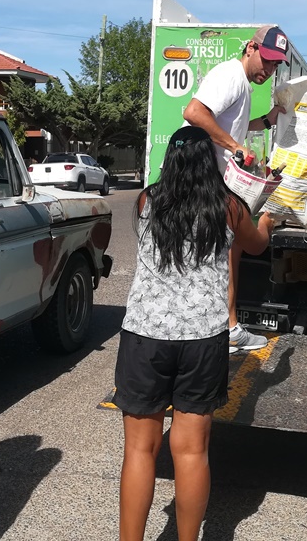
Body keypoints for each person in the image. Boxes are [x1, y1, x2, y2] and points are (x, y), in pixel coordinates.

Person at [114, 125, 274, 541]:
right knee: (191, 451)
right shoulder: (228, 206)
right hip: (202, 338)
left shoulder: (147, 199)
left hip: (145, 334)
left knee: (139, 450)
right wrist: (268, 219)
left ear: (170, 160)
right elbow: (256, 245)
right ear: (211, 163)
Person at [183, 24, 289, 353]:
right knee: (224, 252)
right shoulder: (230, 75)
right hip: (196, 182)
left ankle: (225, 328)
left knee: (228, 253)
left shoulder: (242, 84)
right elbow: (194, 112)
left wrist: (267, 120)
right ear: (250, 48)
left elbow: (232, 126)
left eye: (275, 64)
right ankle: (220, 330)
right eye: (266, 60)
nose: (269, 69)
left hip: (209, 182)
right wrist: (235, 147)